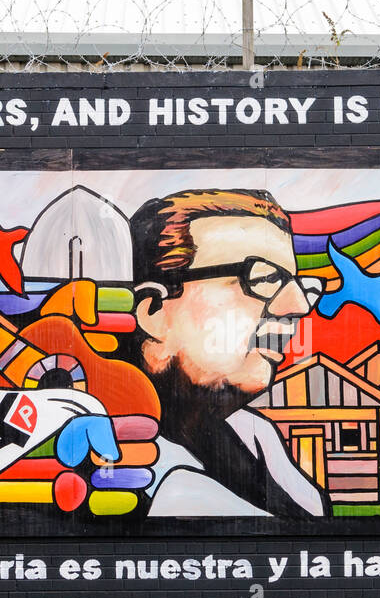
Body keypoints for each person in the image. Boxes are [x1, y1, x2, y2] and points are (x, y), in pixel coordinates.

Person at [124, 188, 329, 517]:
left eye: (299, 285)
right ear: (155, 311)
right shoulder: (115, 463)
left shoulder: (255, 436)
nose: (298, 305)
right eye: (264, 278)